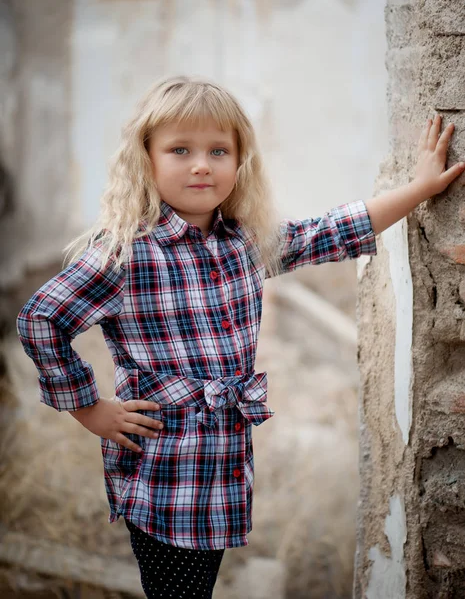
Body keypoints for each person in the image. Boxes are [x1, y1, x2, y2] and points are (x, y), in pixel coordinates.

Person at [16, 75, 465, 599]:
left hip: (221, 470)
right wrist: (88, 408)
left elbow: (333, 232)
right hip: (165, 475)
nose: (201, 164)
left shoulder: (244, 243)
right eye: (180, 149)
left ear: (239, 161)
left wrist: (420, 188)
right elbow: (41, 318)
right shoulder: (126, 252)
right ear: (146, 159)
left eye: (218, 150)